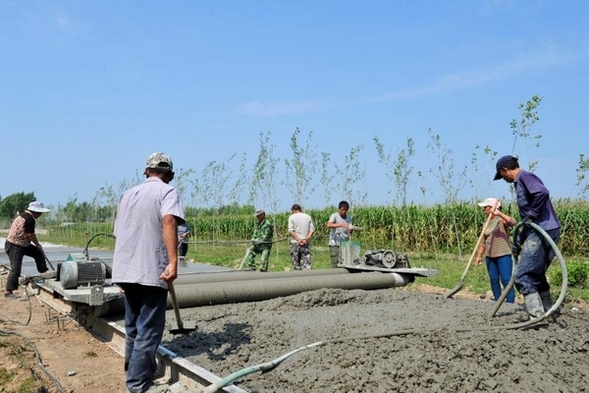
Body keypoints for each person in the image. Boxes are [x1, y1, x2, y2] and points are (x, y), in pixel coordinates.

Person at [112, 152, 184, 393]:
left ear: (146, 172)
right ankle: (138, 384)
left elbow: (119, 232)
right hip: (151, 270)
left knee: (132, 325)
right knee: (149, 329)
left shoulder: (126, 195)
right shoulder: (167, 192)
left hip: (126, 269)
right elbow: (169, 222)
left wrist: (121, 271)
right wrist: (173, 263)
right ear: (170, 175)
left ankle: (132, 370)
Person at [494, 155, 561, 319]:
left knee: (523, 275)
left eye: (501, 176)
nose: (502, 179)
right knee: (536, 274)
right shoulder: (520, 183)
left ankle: (536, 316)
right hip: (541, 230)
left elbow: (542, 193)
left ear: (505, 170)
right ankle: (549, 311)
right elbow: (527, 221)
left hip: (543, 230)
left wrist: (531, 214)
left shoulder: (525, 177)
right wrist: (519, 240)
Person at [4, 201, 50, 298]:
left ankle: (44, 273)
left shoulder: (24, 215)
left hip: (22, 244)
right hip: (14, 245)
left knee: (38, 253)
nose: (40, 215)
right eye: (40, 213)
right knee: (16, 268)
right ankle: (9, 292)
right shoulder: (29, 219)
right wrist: (37, 244)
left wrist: (37, 247)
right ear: (35, 212)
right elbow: (31, 234)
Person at [475, 198, 516, 303]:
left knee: (506, 280)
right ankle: (498, 302)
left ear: (492, 208)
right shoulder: (486, 224)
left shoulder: (500, 221)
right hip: (490, 256)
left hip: (503, 255)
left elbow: (513, 222)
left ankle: (510, 303)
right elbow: (482, 242)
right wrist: (479, 256)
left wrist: (499, 213)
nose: (484, 209)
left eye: (486, 207)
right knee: (494, 280)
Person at [288, 204, 316, 270]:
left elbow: (291, 230)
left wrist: (298, 239)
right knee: (307, 262)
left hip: (295, 242)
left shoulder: (292, 217)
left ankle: (298, 277)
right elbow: (312, 230)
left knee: (296, 262)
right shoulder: (308, 217)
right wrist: (306, 239)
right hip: (305, 242)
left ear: (293, 210)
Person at [326, 200, 352, 268]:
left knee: (344, 261)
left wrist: (350, 230)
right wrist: (341, 225)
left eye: (346, 210)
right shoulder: (334, 216)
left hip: (344, 243)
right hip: (335, 243)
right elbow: (329, 225)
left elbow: (349, 231)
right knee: (335, 260)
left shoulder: (349, 218)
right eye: (343, 210)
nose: (344, 211)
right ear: (339, 209)